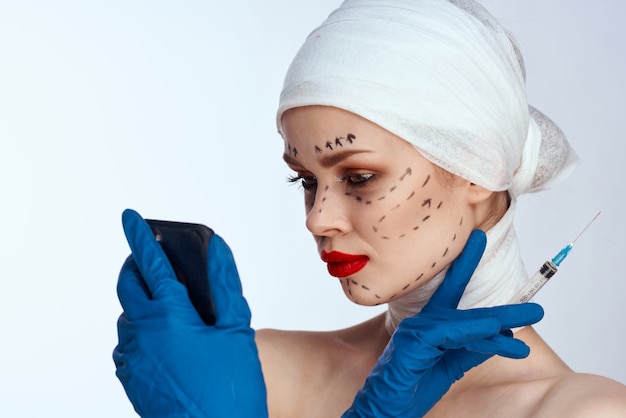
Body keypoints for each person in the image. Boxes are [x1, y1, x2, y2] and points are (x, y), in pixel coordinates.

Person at [113, 0, 626, 416]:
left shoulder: (582, 411)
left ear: (479, 166)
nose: (318, 218)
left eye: (359, 177)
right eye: (306, 180)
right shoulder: (256, 372)